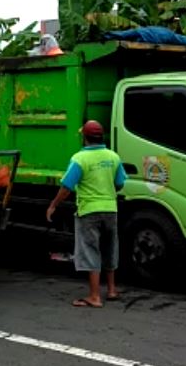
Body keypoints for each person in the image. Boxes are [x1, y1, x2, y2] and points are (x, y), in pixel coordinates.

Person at [46, 120, 126, 308]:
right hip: (110, 209)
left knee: (91, 250)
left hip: (89, 210)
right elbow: (120, 183)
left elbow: (67, 186)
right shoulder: (113, 157)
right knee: (109, 247)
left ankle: (94, 296)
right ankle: (112, 290)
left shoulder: (80, 159)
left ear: (85, 137)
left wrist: (53, 205)